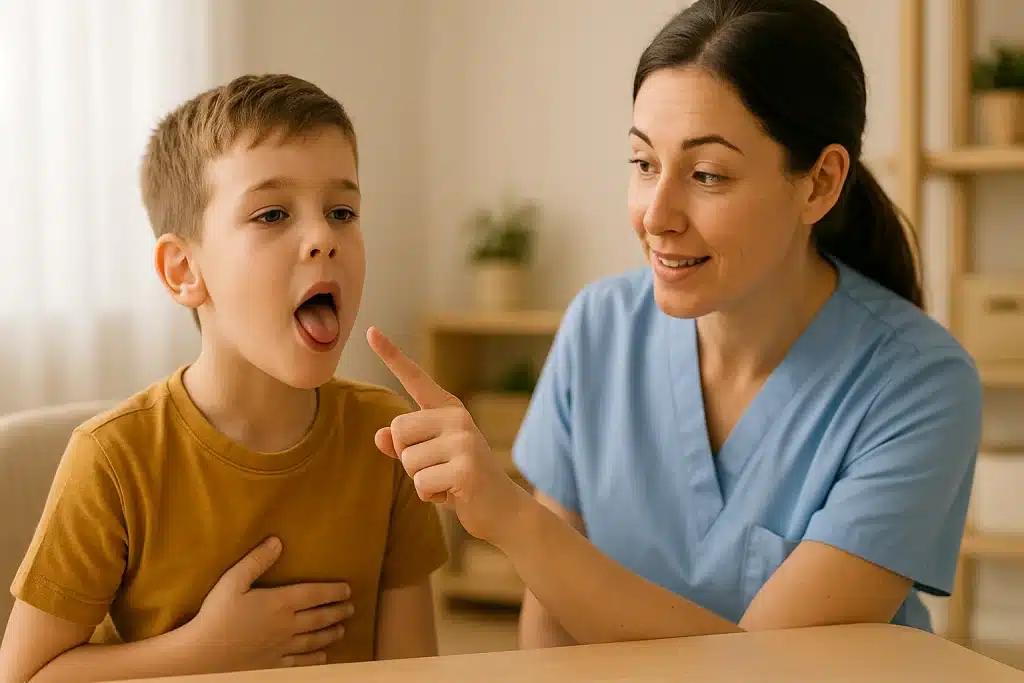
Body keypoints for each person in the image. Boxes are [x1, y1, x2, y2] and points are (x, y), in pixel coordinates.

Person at [367, 0, 982, 648]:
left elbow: (767, 666)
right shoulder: (599, 328)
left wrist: (514, 523)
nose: (656, 214)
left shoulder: (919, 383)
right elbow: (550, 615)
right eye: (643, 163)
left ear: (820, 183)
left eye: (707, 174)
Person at [0, 74, 448, 682]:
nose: (323, 239)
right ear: (184, 270)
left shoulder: (387, 437)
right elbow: (23, 676)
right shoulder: (111, 460)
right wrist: (202, 653)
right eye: (271, 214)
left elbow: (412, 672)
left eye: (342, 211)